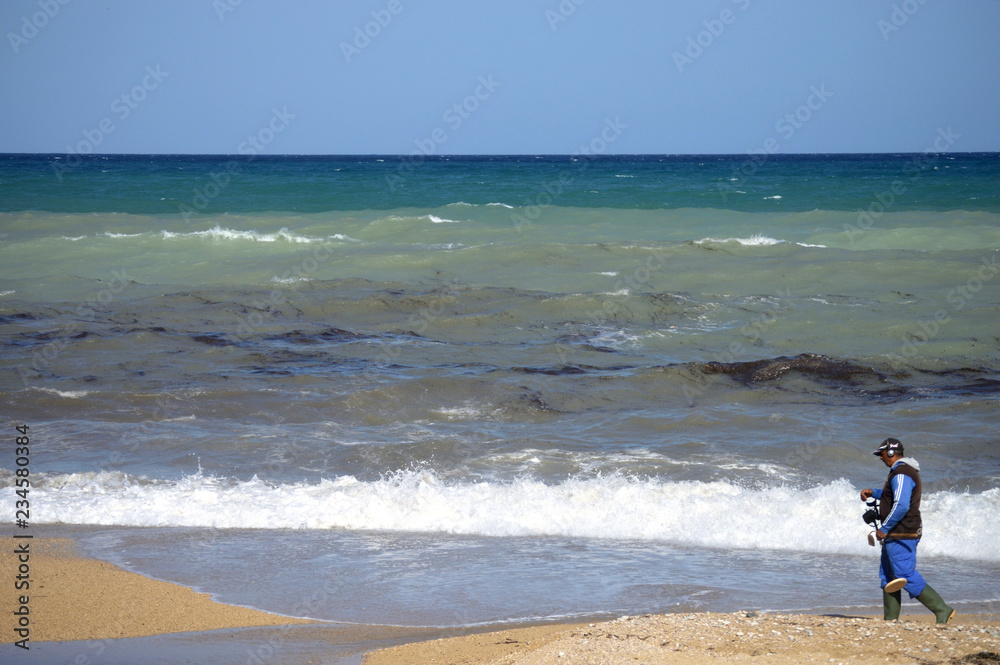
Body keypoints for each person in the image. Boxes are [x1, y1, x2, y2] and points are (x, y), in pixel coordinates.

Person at [860, 437, 955, 624]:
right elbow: (892, 496)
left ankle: (942, 610)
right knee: (887, 575)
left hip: (902, 532)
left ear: (890, 453)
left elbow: (902, 505)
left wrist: (885, 528)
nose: (880, 458)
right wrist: (874, 492)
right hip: (896, 532)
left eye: (881, 454)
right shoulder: (898, 472)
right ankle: (890, 620)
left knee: (904, 574)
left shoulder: (902, 473)